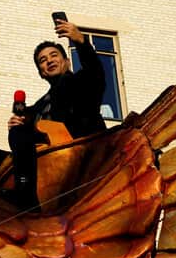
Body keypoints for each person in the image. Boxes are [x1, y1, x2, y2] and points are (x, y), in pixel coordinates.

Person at [7, 18, 107, 209]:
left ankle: (25, 195)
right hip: (44, 154)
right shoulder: (38, 106)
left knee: (23, 131)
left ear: (67, 61)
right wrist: (16, 124)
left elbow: (95, 73)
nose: (49, 61)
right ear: (41, 73)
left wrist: (81, 42)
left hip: (78, 147)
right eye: (43, 61)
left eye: (54, 56)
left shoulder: (80, 83)